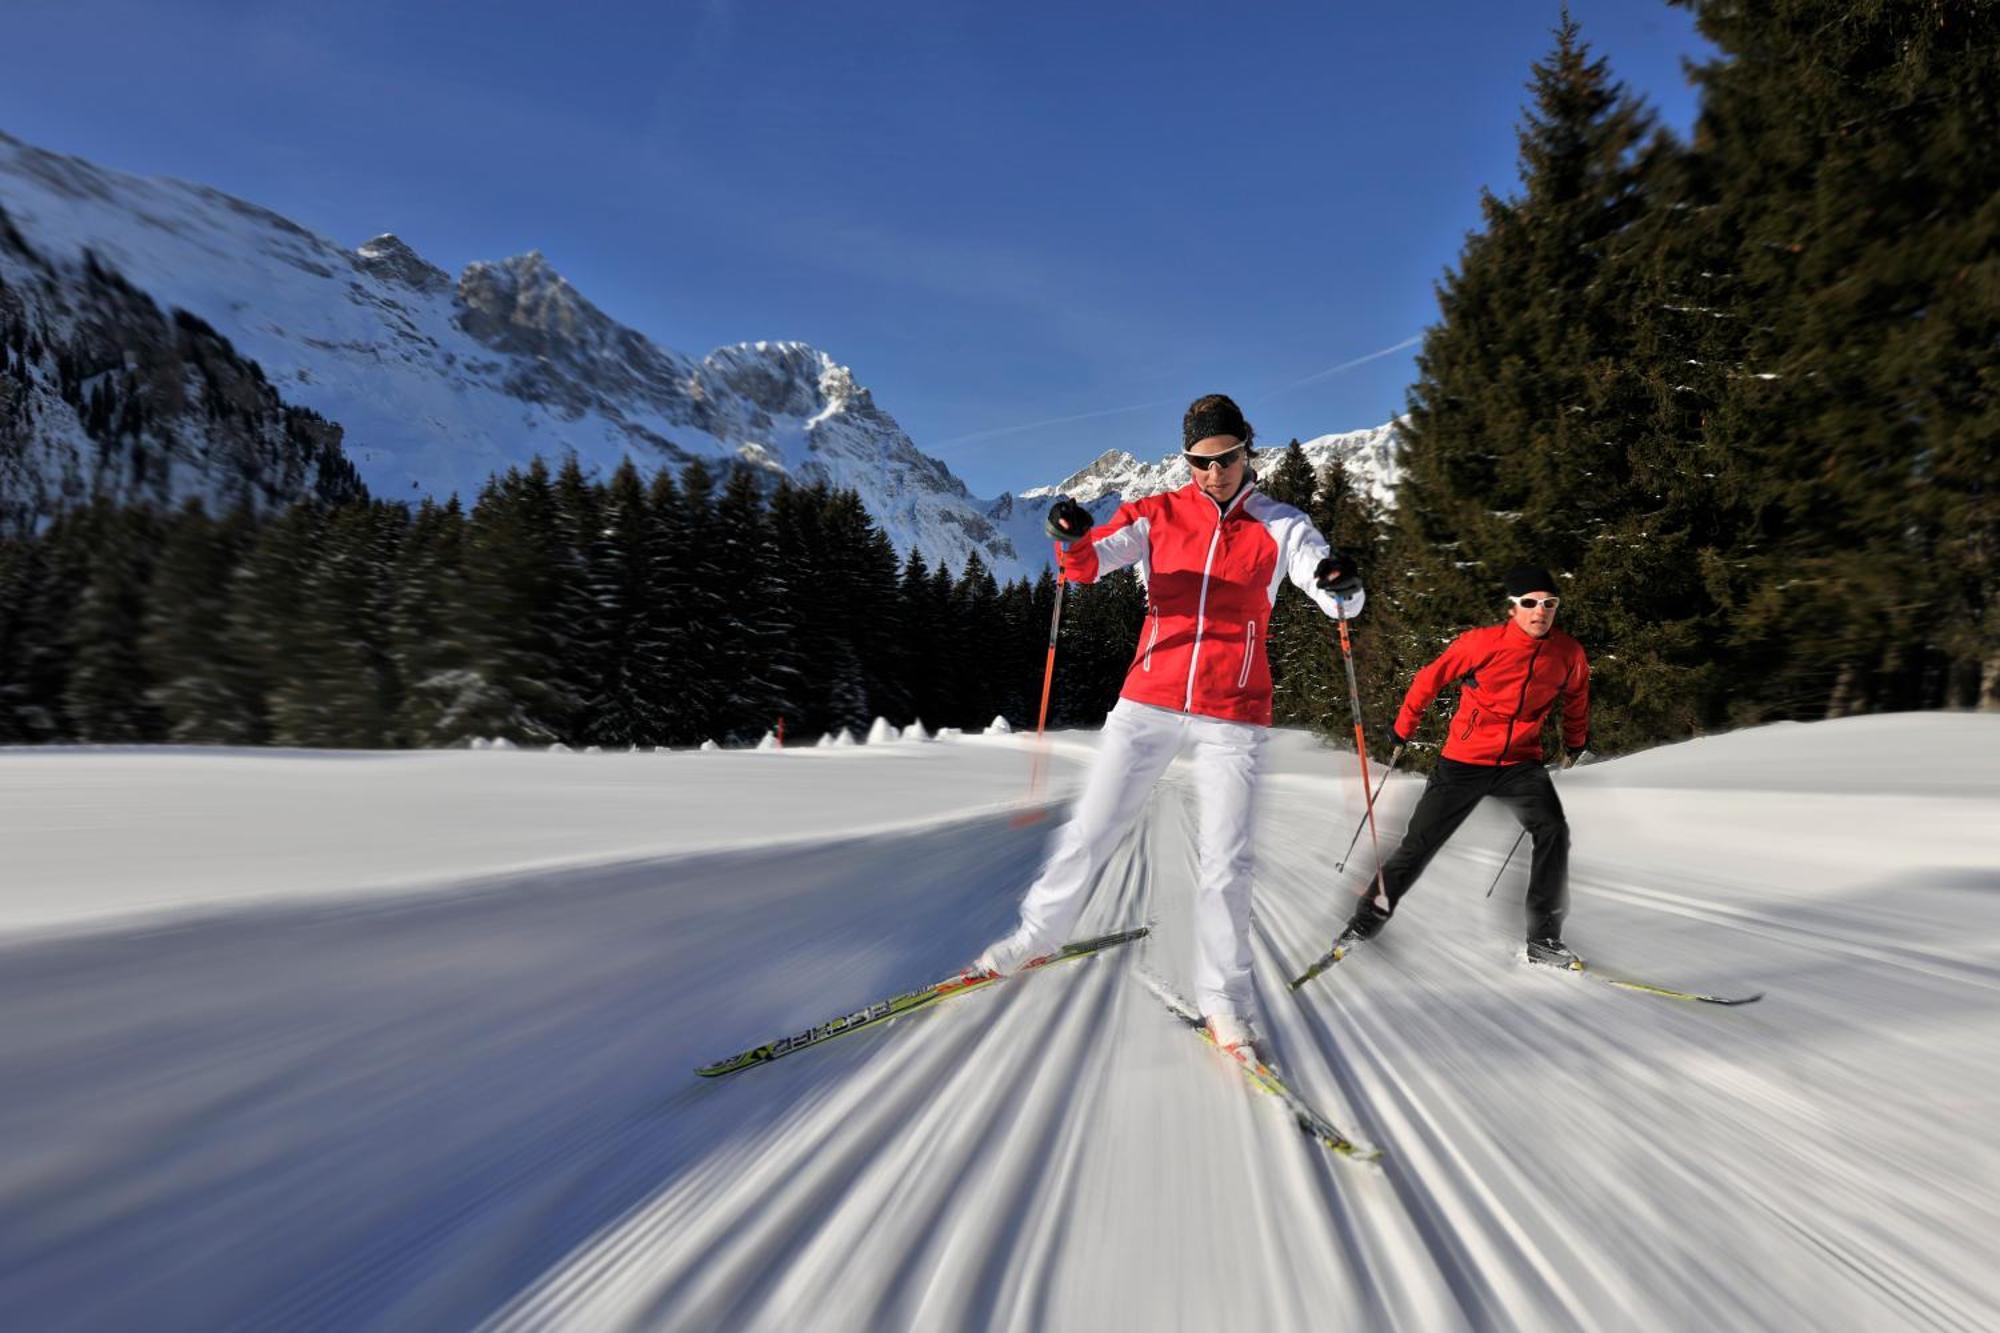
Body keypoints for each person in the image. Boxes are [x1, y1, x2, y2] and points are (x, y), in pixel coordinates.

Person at [973, 393, 1365, 1061]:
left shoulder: (1281, 524)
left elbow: (1333, 590)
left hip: (1234, 708)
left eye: (1227, 459)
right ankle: (1037, 935)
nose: (1213, 474)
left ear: (1248, 450)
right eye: (1199, 463)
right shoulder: (1154, 514)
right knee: (1094, 824)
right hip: (1149, 697)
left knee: (1227, 861)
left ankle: (1225, 1002)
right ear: (1185, 461)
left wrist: (1338, 582)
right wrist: (1071, 539)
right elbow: (1093, 562)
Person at [1337, 564, 1592, 965]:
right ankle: (1363, 923)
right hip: (1464, 760)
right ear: (1513, 608)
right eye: (1530, 603)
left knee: (1553, 829)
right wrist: (1403, 727)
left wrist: (1575, 741)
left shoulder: (1567, 653)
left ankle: (1544, 940)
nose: (1540, 611)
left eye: (1549, 603)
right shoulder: (1481, 644)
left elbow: (1576, 697)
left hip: (1520, 763)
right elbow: (1429, 679)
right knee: (1419, 845)